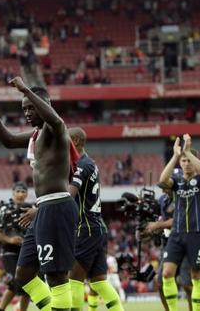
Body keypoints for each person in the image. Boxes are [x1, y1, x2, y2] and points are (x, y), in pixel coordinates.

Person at [0, 77, 78, 311]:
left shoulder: (56, 129)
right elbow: (8, 140)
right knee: (23, 275)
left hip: (57, 205)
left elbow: (54, 118)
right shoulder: (35, 135)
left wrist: (24, 89)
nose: (26, 112)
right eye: (23, 108)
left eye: (30, 107)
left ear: (44, 105)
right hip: (44, 207)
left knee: (56, 276)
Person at [66, 127, 124, 311]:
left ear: (74, 141)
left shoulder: (82, 164)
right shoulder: (89, 163)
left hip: (86, 228)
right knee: (99, 282)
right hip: (97, 227)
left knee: (73, 279)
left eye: (64, 138)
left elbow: (69, 195)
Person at [158, 134, 200, 311]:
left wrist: (188, 151)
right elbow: (162, 180)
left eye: (189, 161)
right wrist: (175, 155)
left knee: (196, 275)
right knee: (166, 273)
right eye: (184, 161)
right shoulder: (177, 182)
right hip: (176, 233)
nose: (186, 164)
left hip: (195, 233)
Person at [143, 181, 192, 311]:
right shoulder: (162, 200)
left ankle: (193, 308)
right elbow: (161, 219)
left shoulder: (185, 198)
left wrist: (158, 225)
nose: (164, 191)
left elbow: (177, 220)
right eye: (162, 188)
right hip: (169, 243)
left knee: (187, 284)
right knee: (160, 283)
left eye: (166, 188)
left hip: (186, 243)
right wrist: (150, 229)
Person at [0, 182, 32, 311]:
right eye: (18, 191)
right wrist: (10, 239)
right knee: (16, 280)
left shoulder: (31, 209)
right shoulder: (4, 210)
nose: (20, 194)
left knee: (29, 284)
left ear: (27, 194)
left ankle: (2, 309)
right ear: (13, 193)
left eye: (23, 192)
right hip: (9, 251)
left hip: (27, 250)